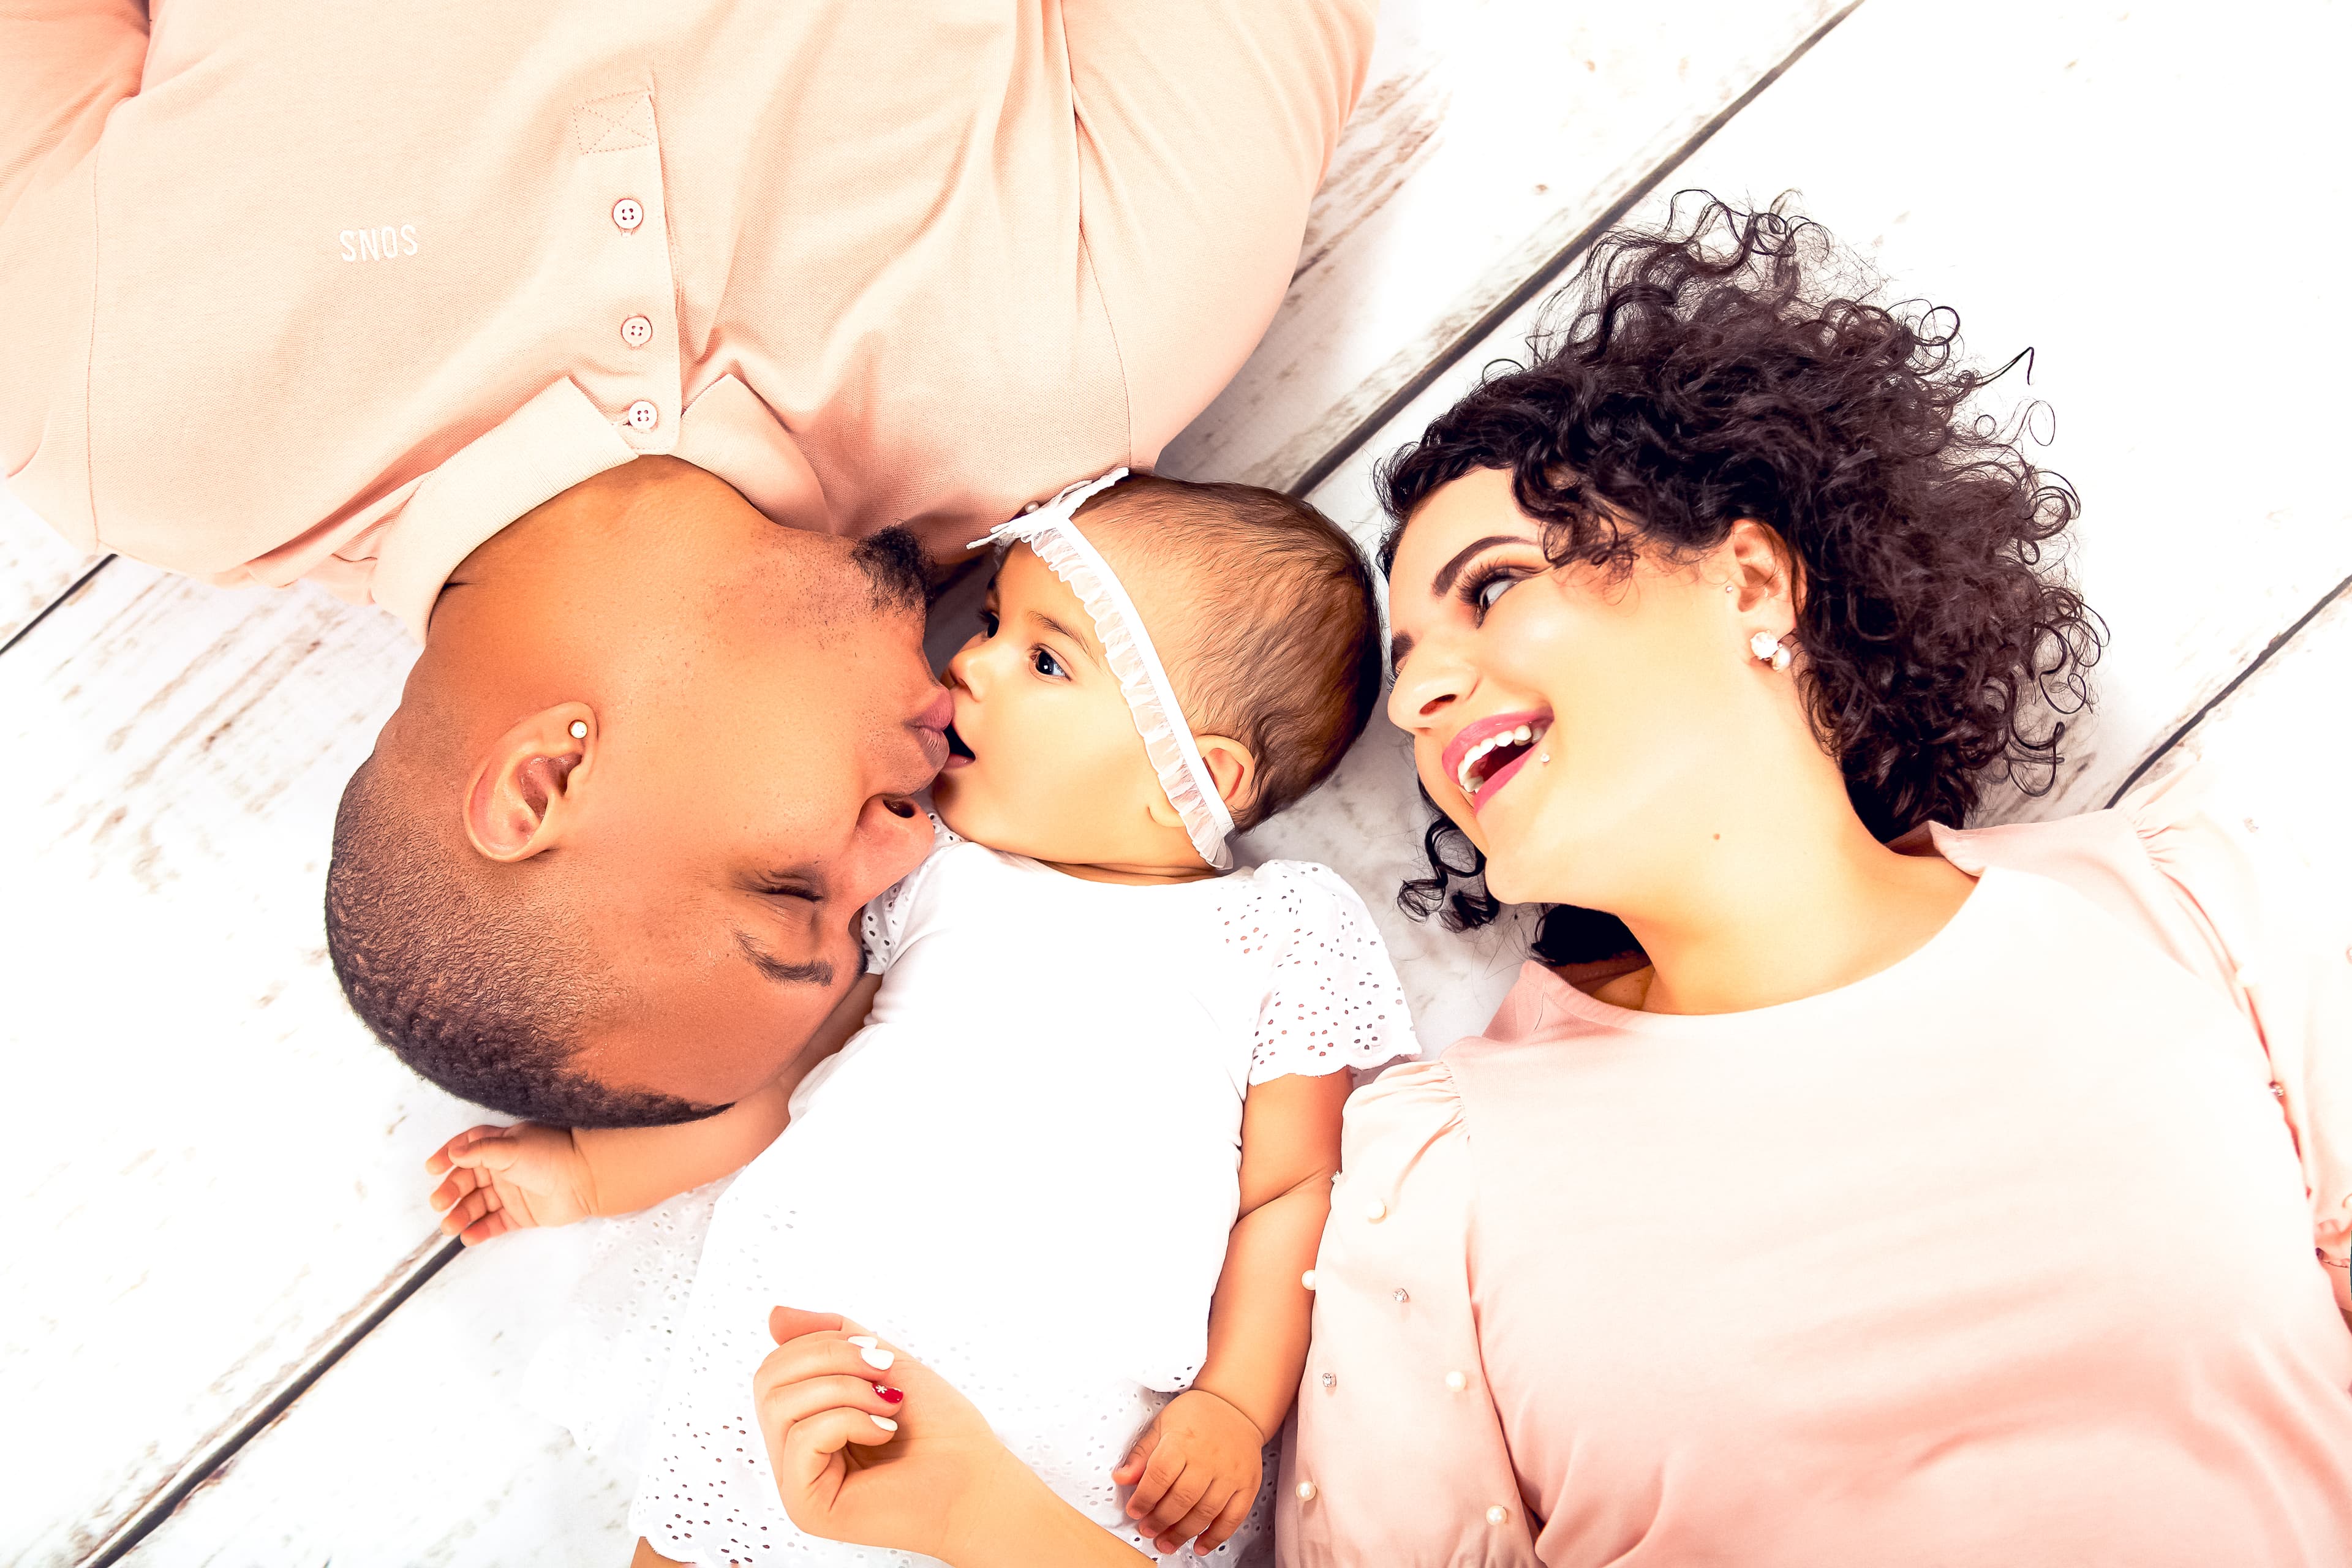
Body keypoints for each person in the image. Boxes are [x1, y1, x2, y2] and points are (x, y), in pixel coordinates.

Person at [735, 200, 2352, 1566]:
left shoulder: (2188, 911)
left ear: (1753, 579)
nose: (1429, 695)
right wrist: (987, 1519)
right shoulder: (1437, 1177)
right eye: (1414, 663)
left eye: (1492, 590)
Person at [0, 0, 1374, 1120]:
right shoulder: (1087, 353)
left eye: (794, 894)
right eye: (865, 921)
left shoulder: (110, 409)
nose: (907, 846)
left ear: (547, 774)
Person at [421, 472, 1420, 1564]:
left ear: (1195, 775)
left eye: (1044, 660)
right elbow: (789, 1086)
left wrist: (1235, 1401)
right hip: (826, 1318)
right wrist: (585, 1174)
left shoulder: (1275, 931)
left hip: (1072, 1404)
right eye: (991, 622)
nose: (970, 660)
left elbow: (1288, 1195)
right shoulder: (930, 872)